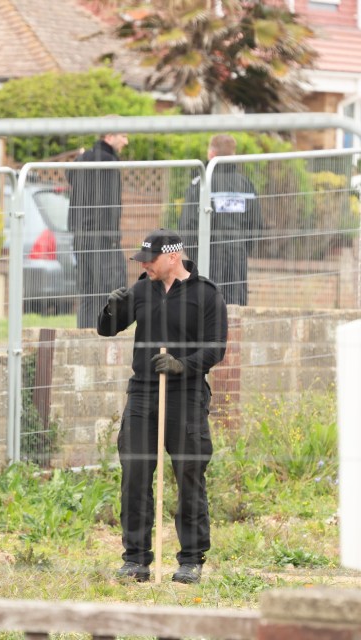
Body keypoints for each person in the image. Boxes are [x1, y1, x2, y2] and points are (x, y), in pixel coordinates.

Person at [97, 229, 227, 584]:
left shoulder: (206, 295)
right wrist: (111, 308)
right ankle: (135, 560)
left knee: (189, 476)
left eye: (150, 260)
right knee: (135, 476)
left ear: (173, 257)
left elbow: (216, 348)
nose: (145, 266)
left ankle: (191, 560)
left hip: (185, 397)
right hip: (142, 394)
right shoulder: (141, 290)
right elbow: (107, 330)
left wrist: (183, 364)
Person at [179, 133, 263, 306]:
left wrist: (198, 256)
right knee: (235, 309)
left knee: (208, 309)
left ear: (211, 154)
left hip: (209, 258)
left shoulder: (201, 184)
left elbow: (187, 225)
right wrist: (243, 250)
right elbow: (256, 225)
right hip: (237, 260)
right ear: (233, 155)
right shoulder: (245, 184)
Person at [67, 129, 130, 328]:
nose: (126, 141)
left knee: (87, 292)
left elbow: (69, 176)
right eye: (123, 136)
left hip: (80, 235)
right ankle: (106, 336)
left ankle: (83, 336)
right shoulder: (109, 162)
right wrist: (113, 236)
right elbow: (111, 203)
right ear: (109, 136)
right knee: (110, 289)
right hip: (102, 235)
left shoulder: (82, 159)